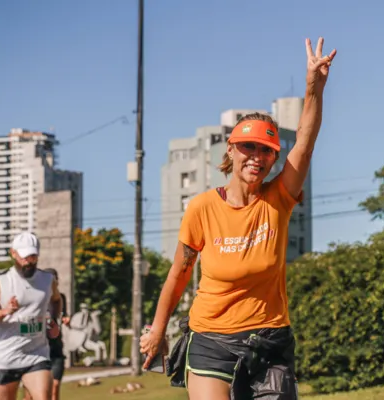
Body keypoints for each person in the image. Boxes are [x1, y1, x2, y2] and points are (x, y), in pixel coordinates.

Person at [140, 37, 336, 400]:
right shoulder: (201, 208)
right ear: (230, 149)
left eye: (266, 151)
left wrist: (314, 87)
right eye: (249, 147)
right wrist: (157, 330)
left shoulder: (278, 198)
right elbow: (179, 274)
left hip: (269, 339)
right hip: (210, 338)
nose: (257, 157)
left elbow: (305, 142)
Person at [0, 232, 63, 400]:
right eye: (24, 256)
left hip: (36, 354)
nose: (28, 261)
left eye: (33, 256)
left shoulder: (48, 280)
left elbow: (56, 300)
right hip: (7, 357)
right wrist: (4, 311)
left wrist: (54, 321)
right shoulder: (0, 281)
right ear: (13, 253)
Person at [23, 268, 70, 400]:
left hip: (55, 349)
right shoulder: (33, 298)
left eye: (55, 281)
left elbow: (61, 315)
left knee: (54, 390)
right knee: (30, 395)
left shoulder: (61, 298)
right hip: (36, 351)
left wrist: (65, 319)